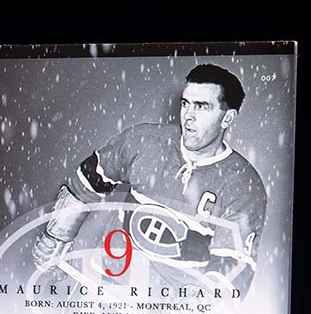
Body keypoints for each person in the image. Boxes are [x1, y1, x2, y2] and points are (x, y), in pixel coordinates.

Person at [32, 63, 266, 294]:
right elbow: (85, 183)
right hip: (106, 284)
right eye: (185, 103)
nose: (188, 116)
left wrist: (196, 304)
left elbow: (233, 266)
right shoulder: (144, 140)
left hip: (171, 305)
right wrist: (57, 237)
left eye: (201, 106)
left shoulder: (242, 185)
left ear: (227, 118)